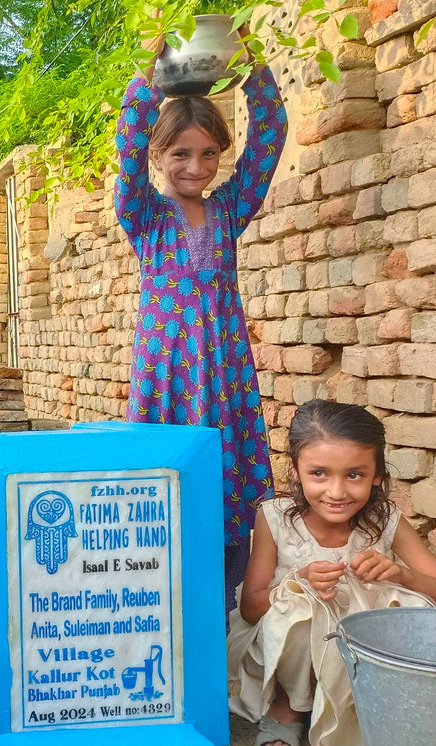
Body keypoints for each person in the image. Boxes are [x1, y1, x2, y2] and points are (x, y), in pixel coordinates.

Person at [114, 26, 288, 621]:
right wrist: (147, 76)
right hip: (167, 372)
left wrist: (252, 61)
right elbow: (126, 152)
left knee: (228, 470)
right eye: (180, 153)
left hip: (226, 371)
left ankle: (226, 597)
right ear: (158, 157)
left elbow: (269, 138)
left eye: (209, 153)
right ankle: (154, 588)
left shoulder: (230, 208)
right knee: (162, 474)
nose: (196, 165)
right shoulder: (144, 215)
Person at [228, 400, 436, 746]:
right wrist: (298, 581)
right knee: (301, 607)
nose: (337, 491)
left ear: (377, 474)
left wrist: (402, 575)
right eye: (319, 474)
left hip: (352, 653)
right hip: (283, 651)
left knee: (409, 603)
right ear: (295, 470)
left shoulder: (385, 519)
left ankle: (364, 706)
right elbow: (250, 609)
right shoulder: (275, 518)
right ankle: (289, 704)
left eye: (355, 475)